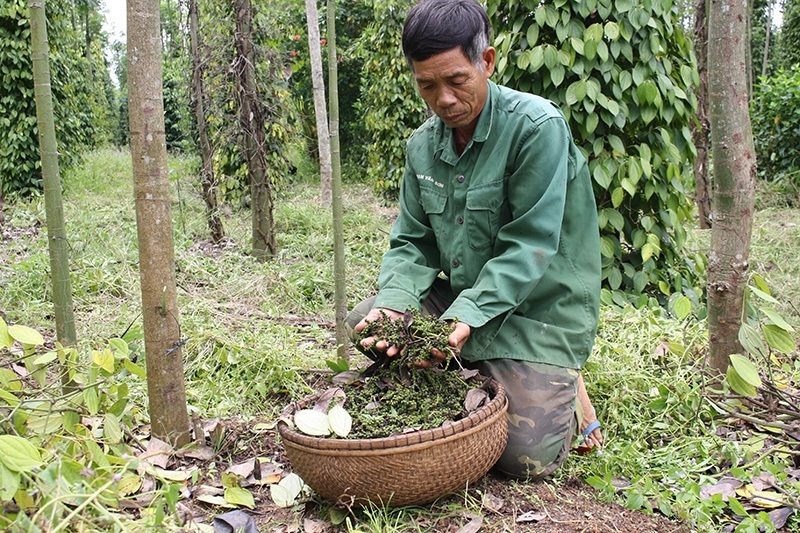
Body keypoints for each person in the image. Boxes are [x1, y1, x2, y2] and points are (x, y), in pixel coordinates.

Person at [346, 0, 602, 479]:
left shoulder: (537, 128)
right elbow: (413, 242)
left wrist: (463, 316)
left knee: (526, 459)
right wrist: (397, 303)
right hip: (463, 305)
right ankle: (472, 373)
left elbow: (529, 246)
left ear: (486, 62)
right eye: (427, 85)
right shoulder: (422, 146)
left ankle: (565, 389)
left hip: (537, 316)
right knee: (369, 323)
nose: (442, 99)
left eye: (456, 80)